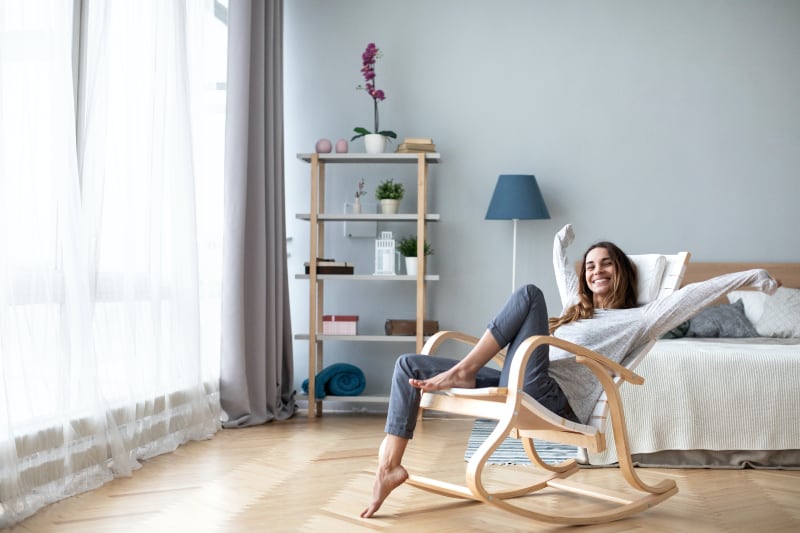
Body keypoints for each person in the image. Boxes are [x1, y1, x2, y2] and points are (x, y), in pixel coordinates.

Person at [361, 224, 778, 519]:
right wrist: (560, 247)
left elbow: (690, 295)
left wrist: (752, 278)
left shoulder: (641, 318)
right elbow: (565, 277)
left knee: (527, 293)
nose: (597, 270)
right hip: (520, 380)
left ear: (624, 273)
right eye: (591, 266)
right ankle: (389, 468)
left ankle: (466, 370)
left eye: (607, 264)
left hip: (550, 395)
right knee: (407, 364)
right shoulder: (575, 313)